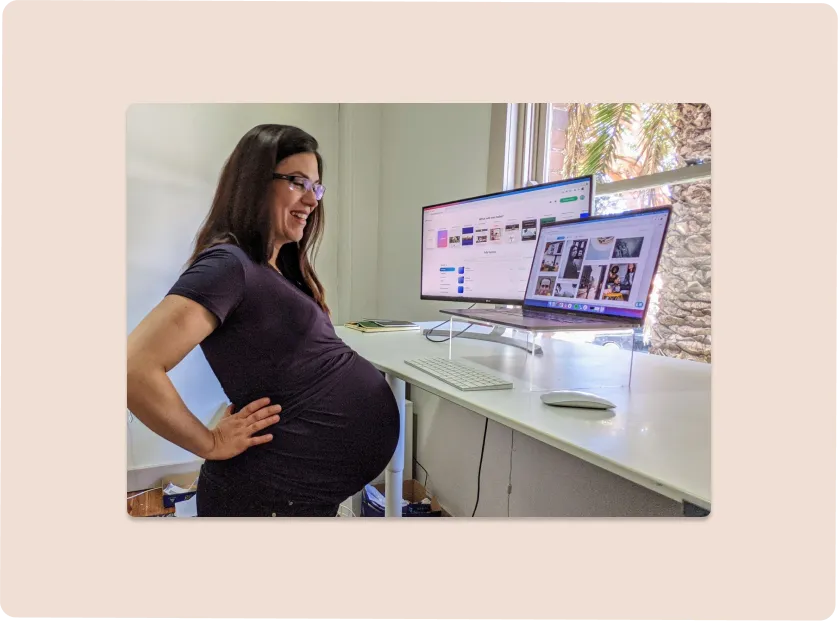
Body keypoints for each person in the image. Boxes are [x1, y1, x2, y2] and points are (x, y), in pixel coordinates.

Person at [127, 124, 400, 517]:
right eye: (297, 182)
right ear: (254, 182)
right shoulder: (228, 265)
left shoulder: (275, 268)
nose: (312, 199)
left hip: (293, 492)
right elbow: (135, 368)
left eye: (317, 187)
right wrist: (209, 443)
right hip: (264, 496)